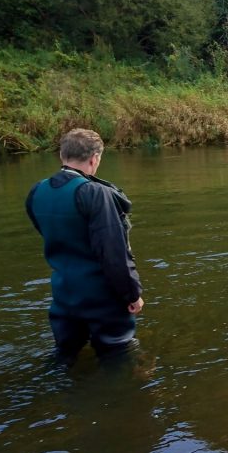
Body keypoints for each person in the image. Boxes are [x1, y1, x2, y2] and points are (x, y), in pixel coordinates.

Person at [26, 128, 144, 365]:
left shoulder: (37, 191)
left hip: (63, 297)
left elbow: (48, 233)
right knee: (120, 359)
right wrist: (132, 294)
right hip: (102, 300)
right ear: (95, 158)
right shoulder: (95, 193)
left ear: (62, 155)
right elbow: (113, 253)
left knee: (65, 358)